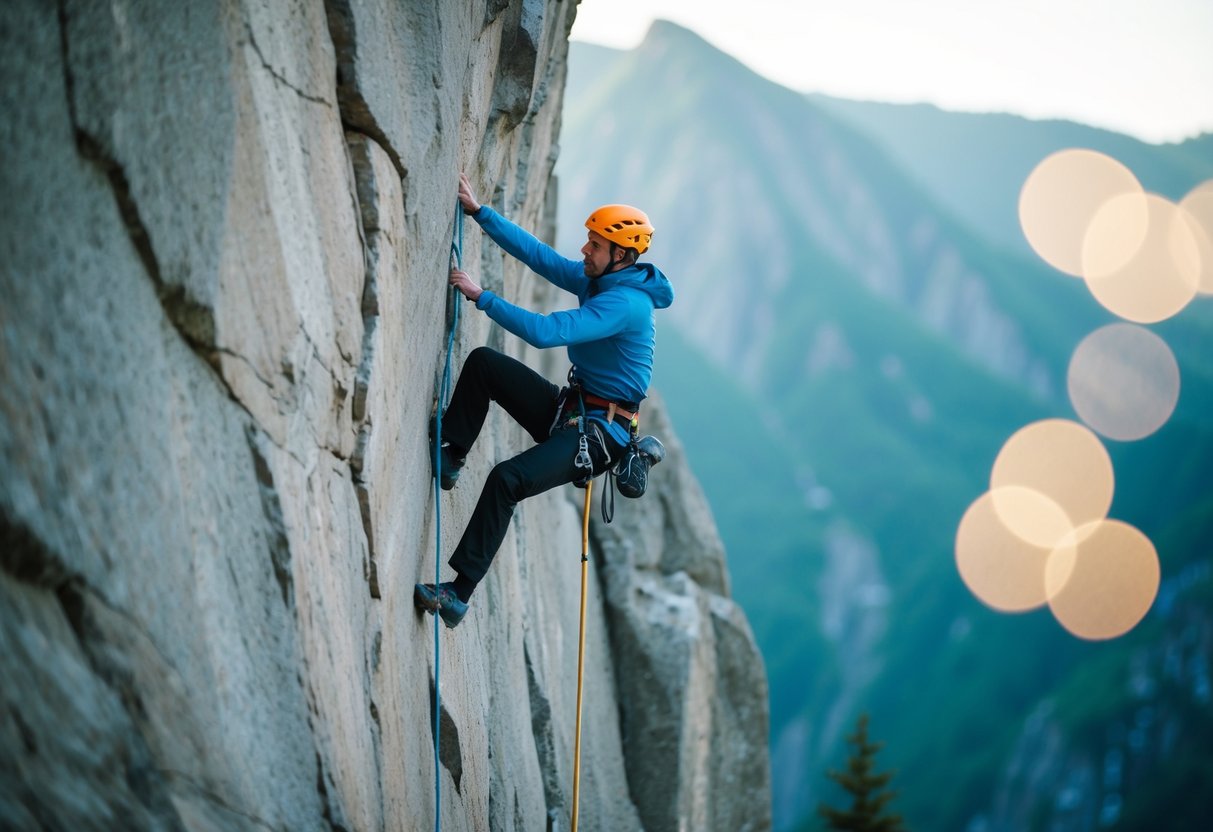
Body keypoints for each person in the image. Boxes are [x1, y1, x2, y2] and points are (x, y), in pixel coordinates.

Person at [414, 173, 674, 628]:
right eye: (589, 241)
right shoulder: (600, 281)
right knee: (484, 364)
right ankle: (452, 454)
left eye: (594, 246)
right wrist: (480, 214)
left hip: (601, 435)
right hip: (573, 410)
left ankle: (457, 594)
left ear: (621, 256)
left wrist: (483, 297)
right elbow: (541, 258)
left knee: (507, 479)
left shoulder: (625, 305)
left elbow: (545, 332)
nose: (584, 251)